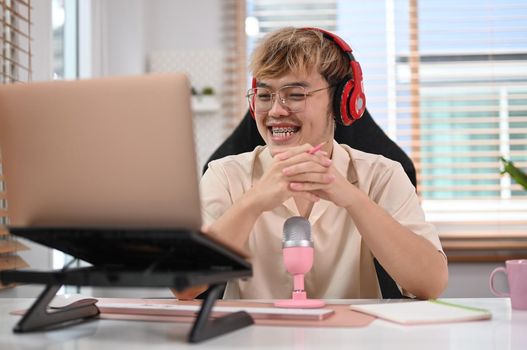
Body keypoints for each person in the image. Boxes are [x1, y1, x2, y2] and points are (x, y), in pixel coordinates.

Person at [175, 27, 447, 300]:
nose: (276, 111)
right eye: (265, 95)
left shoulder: (382, 175)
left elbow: (430, 284)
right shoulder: (225, 175)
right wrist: (252, 202)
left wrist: (355, 200)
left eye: (295, 95)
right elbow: (184, 286)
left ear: (342, 101)